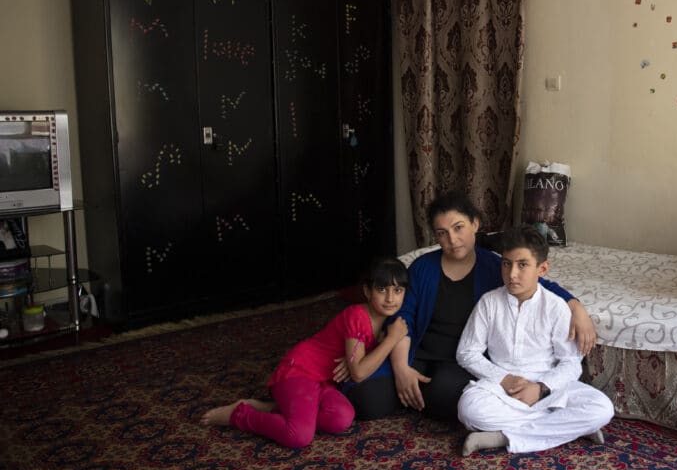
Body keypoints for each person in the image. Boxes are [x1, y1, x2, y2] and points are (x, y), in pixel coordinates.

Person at [341, 191, 597, 422]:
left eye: (458, 227)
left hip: (458, 361)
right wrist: (401, 370)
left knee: (447, 400)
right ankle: (411, 390)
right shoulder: (422, 268)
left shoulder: (495, 266)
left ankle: (419, 398)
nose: (452, 239)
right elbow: (402, 320)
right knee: (365, 401)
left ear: (475, 224)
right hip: (416, 354)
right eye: (442, 233)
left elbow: (539, 283)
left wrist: (576, 307)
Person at [200, 257, 409, 448]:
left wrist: (372, 349)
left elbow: (361, 360)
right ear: (367, 291)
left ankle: (273, 408)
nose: (390, 298)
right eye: (382, 289)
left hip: (324, 383)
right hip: (300, 371)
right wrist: (392, 339)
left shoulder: (386, 323)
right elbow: (359, 373)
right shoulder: (358, 315)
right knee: (298, 435)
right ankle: (240, 414)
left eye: (398, 290)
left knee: (342, 418)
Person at [456, 225, 614, 455]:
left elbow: (570, 362)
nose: (512, 274)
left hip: (548, 387)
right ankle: (569, 427)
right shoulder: (489, 303)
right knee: (469, 409)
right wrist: (506, 379)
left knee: (601, 408)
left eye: (522, 265)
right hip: (502, 388)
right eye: (507, 263)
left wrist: (540, 389)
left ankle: (501, 437)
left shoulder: (556, 306)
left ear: (542, 269)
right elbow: (466, 353)